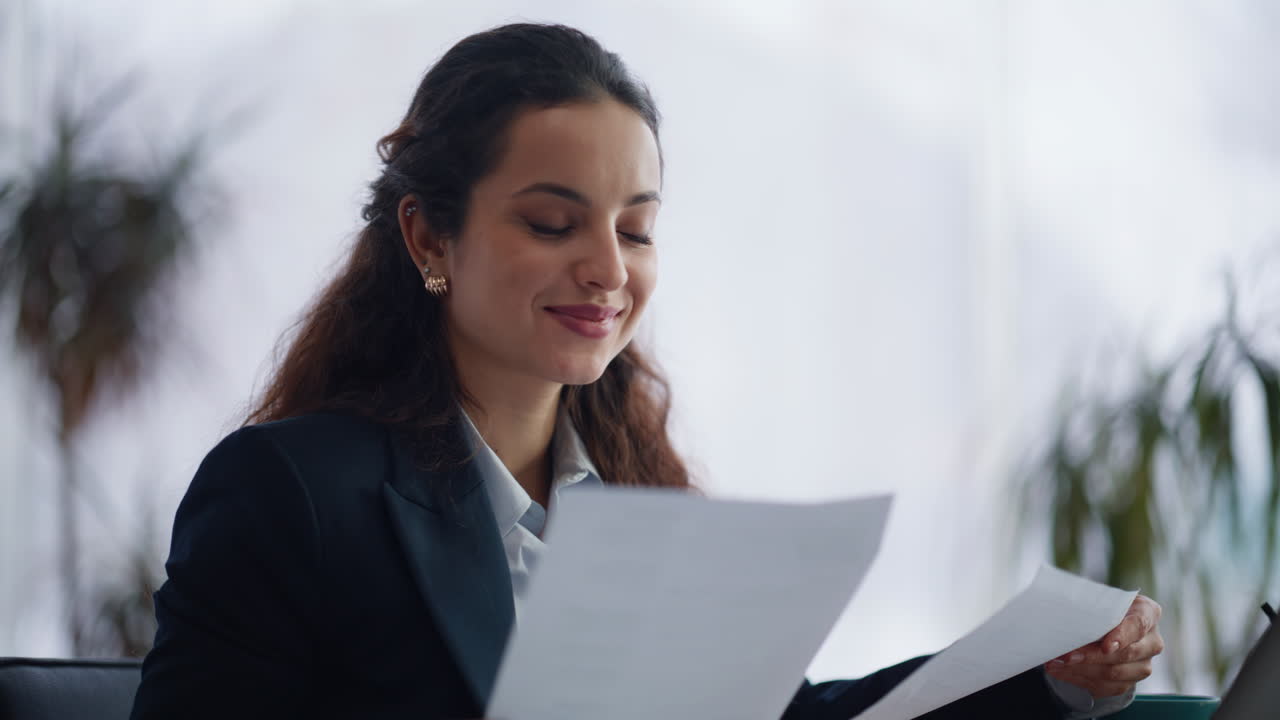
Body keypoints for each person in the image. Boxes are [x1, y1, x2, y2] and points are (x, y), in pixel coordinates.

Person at [129, 22, 1163, 720]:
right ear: (429, 239)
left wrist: (1045, 679)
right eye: (550, 222)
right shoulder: (290, 493)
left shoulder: (634, 493)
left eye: (636, 230)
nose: (607, 271)